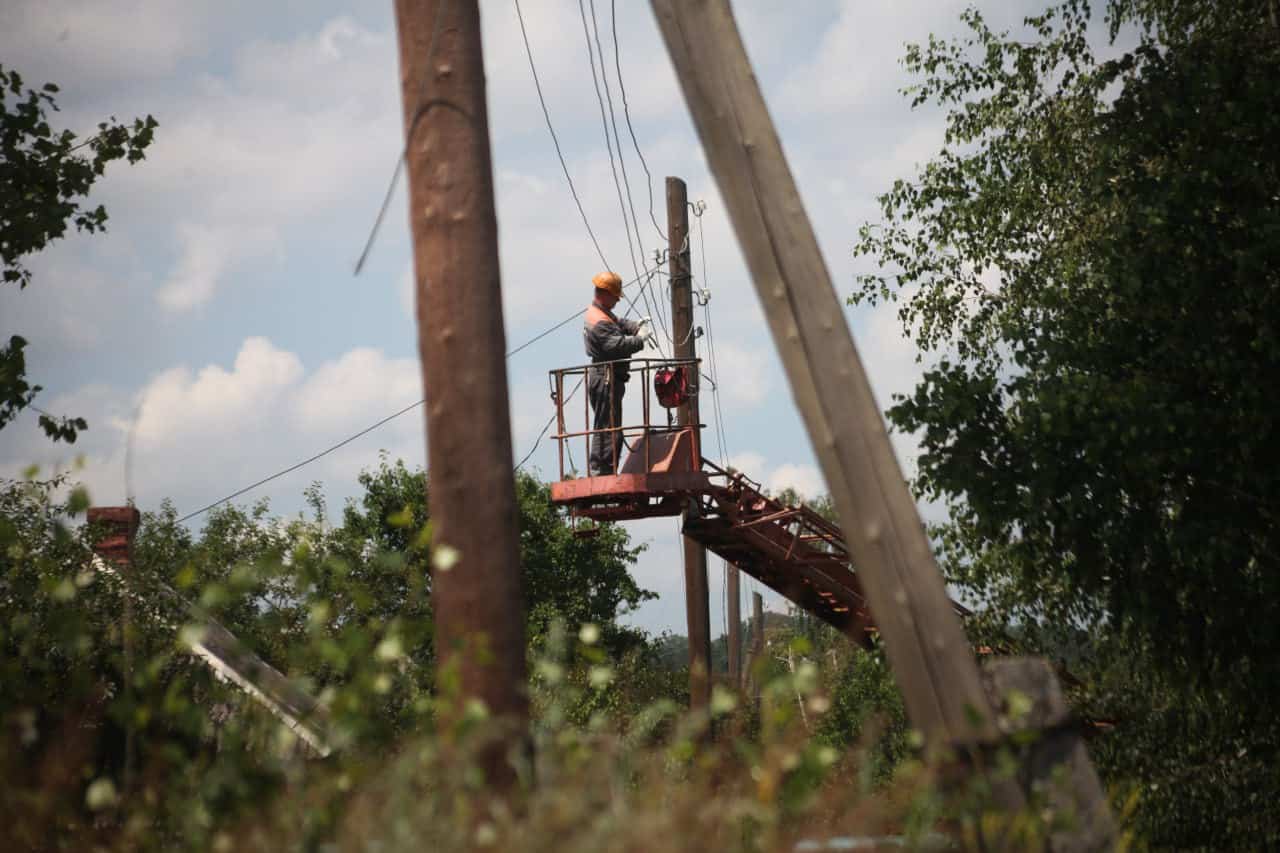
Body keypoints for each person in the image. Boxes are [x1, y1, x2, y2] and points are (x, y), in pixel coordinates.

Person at [583, 271, 654, 476]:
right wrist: (640, 340)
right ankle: (601, 471)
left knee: (610, 425)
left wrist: (636, 326)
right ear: (604, 293)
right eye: (615, 297)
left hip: (607, 376)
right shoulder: (599, 321)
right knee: (608, 427)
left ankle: (605, 468)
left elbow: (620, 324)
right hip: (605, 377)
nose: (616, 301)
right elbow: (617, 346)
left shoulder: (602, 313)